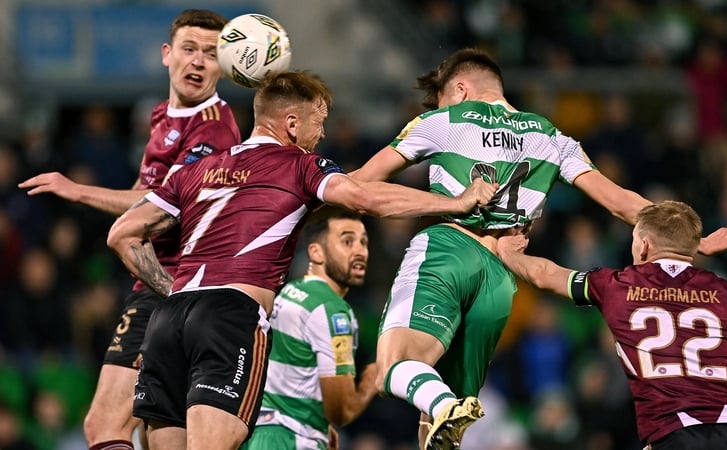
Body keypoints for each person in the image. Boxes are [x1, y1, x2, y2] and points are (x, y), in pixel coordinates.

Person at [349, 48, 727, 450]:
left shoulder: (442, 121)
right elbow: (620, 201)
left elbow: (361, 183)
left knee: (395, 367)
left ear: (461, 89)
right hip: (500, 278)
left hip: (449, 248)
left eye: (445, 97)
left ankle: (441, 401)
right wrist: (695, 240)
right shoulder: (552, 139)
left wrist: (307, 201)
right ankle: (443, 406)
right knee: (438, 425)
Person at [105, 70, 496, 450]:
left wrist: (173, 289)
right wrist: (456, 203)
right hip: (230, 316)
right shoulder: (299, 165)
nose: (322, 134)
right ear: (292, 123)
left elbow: (122, 234)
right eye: (318, 121)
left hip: (168, 319)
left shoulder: (196, 171)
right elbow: (366, 198)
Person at [17, 9, 240, 450]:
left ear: (223, 66)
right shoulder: (163, 117)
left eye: (211, 54)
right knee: (160, 436)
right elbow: (146, 189)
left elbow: (164, 206)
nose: (197, 62)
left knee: (104, 425)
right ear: (166, 54)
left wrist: (78, 191)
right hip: (166, 286)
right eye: (189, 49)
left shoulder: (214, 129)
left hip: (173, 286)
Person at [496, 200, 727, 450]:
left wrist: (508, 253)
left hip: (676, 433)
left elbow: (544, 275)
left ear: (644, 245)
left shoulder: (616, 286)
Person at [242, 211, 377, 450]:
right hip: (291, 438)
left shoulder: (290, 291)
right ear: (316, 252)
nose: (360, 251)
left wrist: (320, 425)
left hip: (260, 434)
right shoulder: (332, 310)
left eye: (364, 242)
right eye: (347, 241)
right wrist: (372, 377)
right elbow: (341, 411)